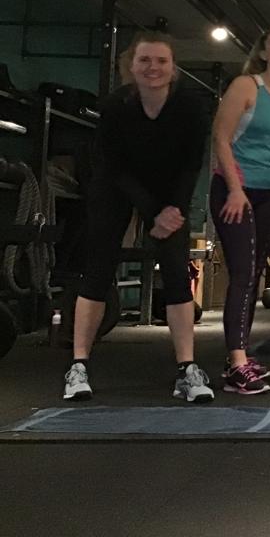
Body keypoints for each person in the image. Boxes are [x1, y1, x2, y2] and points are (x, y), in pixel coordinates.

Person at [62, 32, 214, 403]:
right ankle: (78, 367)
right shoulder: (116, 106)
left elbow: (191, 164)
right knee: (99, 267)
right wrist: (152, 212)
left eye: (161, 61)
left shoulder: (191, 107)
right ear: (131, 65)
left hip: (169, 189)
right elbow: (114, 166)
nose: (152, 67)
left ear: (173, 68)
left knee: (176, 271)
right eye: (144, 60)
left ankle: (187, 369)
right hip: (117, 185)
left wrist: (174, 210)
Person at [211, 28, 270, 395]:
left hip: (269, 192)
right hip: (235, 190)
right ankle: (237, 365)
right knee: (243, 273)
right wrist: (235, 189)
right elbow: (220, 137)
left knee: (255, 274)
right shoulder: (246, 86)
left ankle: (239, 356)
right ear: (263, 53)